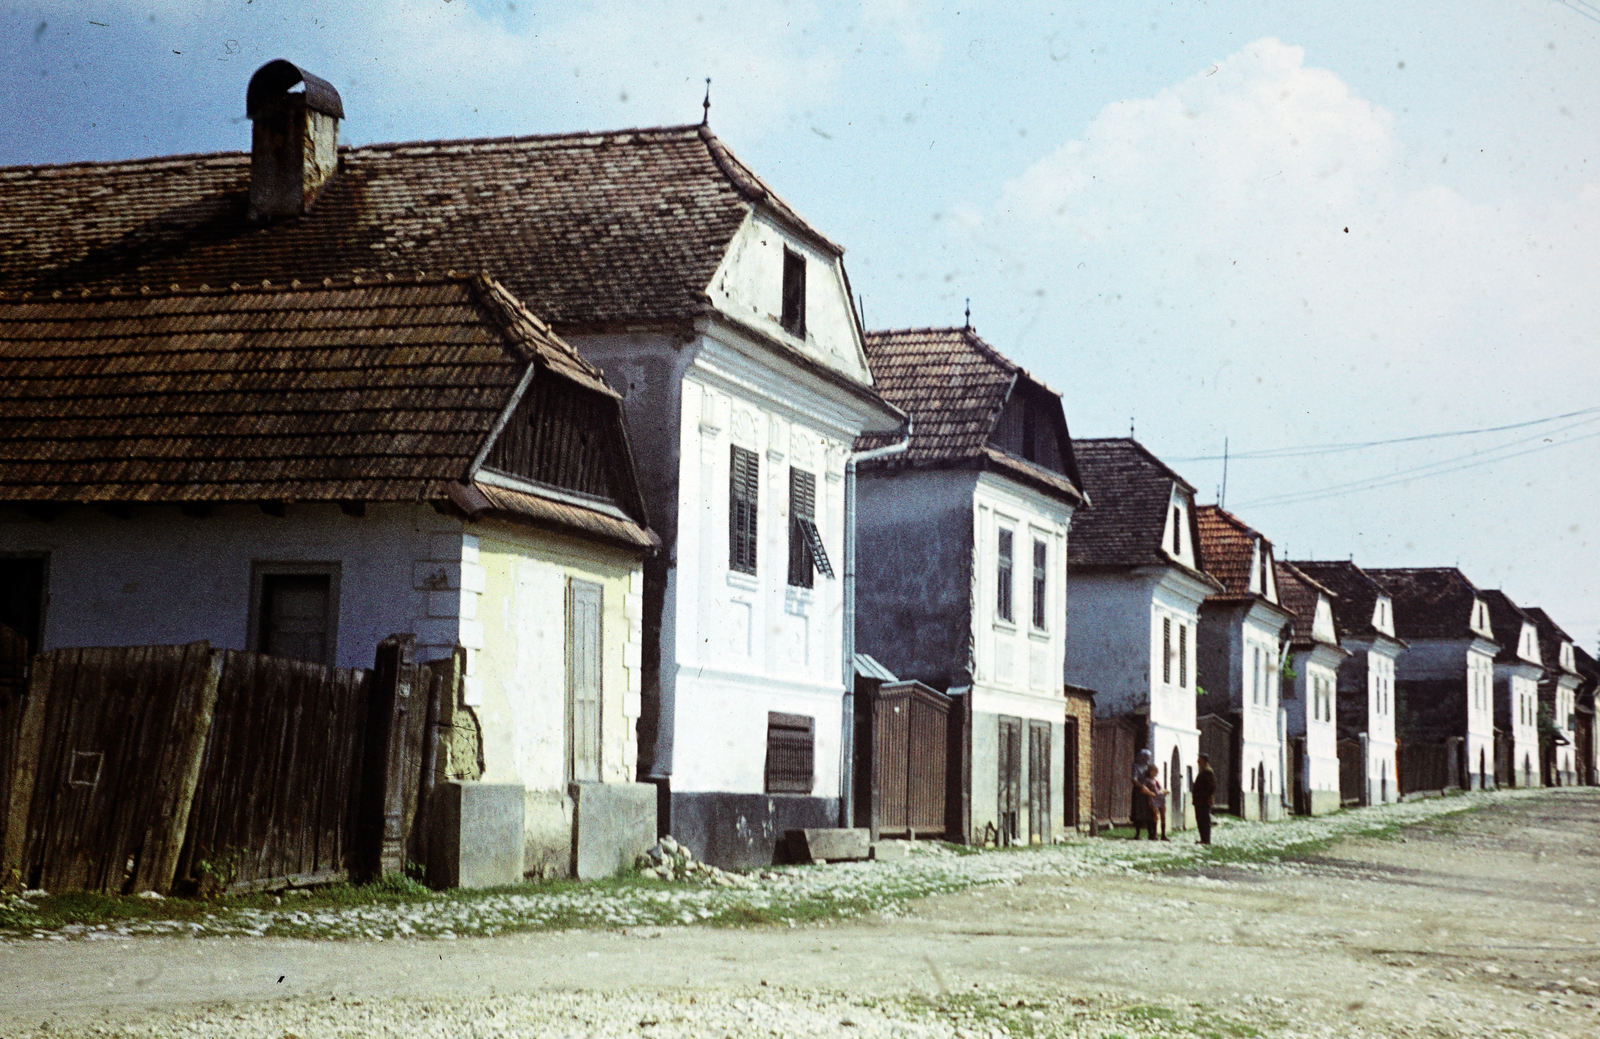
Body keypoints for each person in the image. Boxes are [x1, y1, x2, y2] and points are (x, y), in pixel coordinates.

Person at [1192, 752, 1218, 845]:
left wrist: (1205, 795)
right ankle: (1203, 838)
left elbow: (1212, 786)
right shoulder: (1204, 771)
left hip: (1203, 800)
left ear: (1203, 760)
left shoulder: (1207, 771)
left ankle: (1206, 839)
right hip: (1200, 800)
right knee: (1201, 819)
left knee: (1204, 820)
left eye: (1199, 759)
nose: (1198, 761)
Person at [1129, 749, 1154, 838]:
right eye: (1147, 757)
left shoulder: (1148, 766)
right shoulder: (1136, 766)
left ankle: (1151, 833)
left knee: (1149, 812)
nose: (1148, 759)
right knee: (1138, 813)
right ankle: (1137, 833)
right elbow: (1134, 779)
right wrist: (1142, 786)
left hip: (1148, 792)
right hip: (1139, 791)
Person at [1144, 763, 1169, 841]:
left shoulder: (1156, 779)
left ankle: (1163, 835)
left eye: (1155, 771)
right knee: (1155, 816)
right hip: (1153, 798)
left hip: (1160, 798)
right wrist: (1149, 793)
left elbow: (1160, 788)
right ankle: (1153, 834)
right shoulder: (1147, 780)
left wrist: (1164, 791)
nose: (1154, 772)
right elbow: (1144, 788)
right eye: (1153, 771)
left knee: (1163, 816)